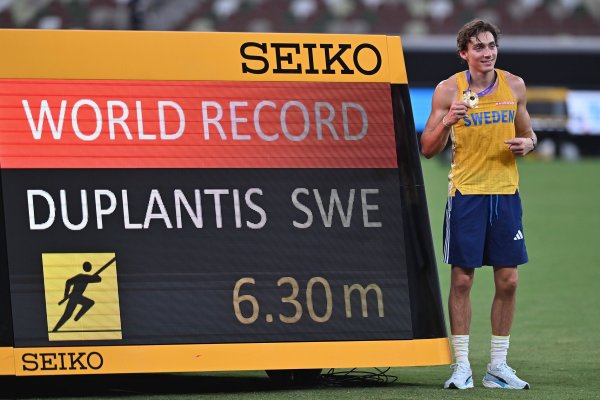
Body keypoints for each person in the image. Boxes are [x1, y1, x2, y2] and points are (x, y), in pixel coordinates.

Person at [420, 19, 536, 390]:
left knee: (509, 280)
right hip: (466, 194)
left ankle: (498, 367)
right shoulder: (447, 90)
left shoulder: (513, 85)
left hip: (505, 193)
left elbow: (527, 133)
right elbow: (427, 148)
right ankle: (462, 367)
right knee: (462, 279)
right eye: (479, 47)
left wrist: (528, 144)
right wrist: (447, 120)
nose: (487, 53)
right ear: (464, 53)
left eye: (491, 46)